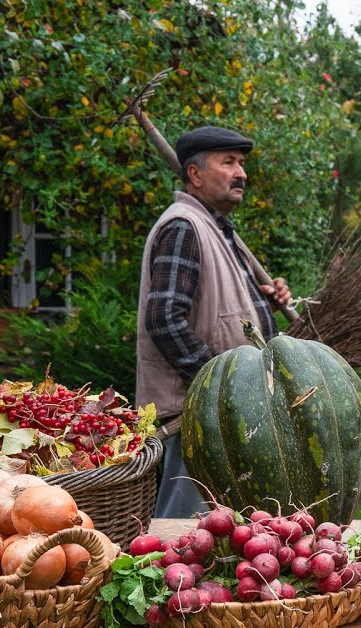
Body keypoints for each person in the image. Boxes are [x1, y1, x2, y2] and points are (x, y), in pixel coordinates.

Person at [136, 126, 292, 519]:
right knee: (182, 531)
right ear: (195, 174)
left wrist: (263, 305)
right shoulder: (183, 228)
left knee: (215, 534)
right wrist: (220, 386)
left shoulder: (217, 229)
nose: (241, 173)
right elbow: (164, 320)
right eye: (228, 162)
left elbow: (219, 313)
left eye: (241, 163)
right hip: (195, 420)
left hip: (221, 419)